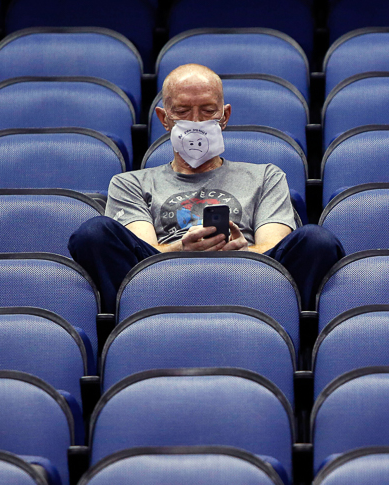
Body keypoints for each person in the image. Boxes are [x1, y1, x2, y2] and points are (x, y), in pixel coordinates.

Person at [69, 63, 343, 311]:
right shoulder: (130, 183)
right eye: (182, 112)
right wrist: (181, 249)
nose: (196, 122)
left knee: (316, 240)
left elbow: (273, 244)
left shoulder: (266, 176)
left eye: (208, 111)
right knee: (94, 233)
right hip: (162, 281)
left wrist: (243, 252)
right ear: (164, 119)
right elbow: (144, 250)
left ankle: (276, 317)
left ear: (225, 116)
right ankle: (138, 314)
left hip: (249, 278)